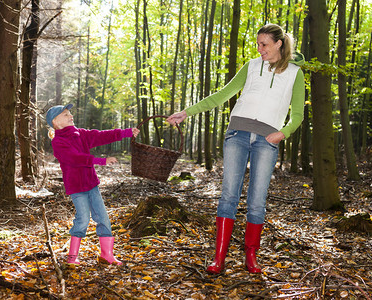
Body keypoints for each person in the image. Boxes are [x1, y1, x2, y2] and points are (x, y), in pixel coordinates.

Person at [167, 24, 305, 274]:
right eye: (258, 43)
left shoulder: (295, 73)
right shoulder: (252, 66)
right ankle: (219, 257)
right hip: (237, 135)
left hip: (267, 140)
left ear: (279, 44)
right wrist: (186, 112)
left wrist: (283, 133)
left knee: (257, 201)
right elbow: (222, 95)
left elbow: (297, 114)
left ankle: (250, 256)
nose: (259, 48)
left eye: (264, 44)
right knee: (229, 196)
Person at [46, 103, 140, 265]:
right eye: (66, 114)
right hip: (76, 187)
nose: (71, 116)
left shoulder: (80, 133)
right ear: (56, 122)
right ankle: (72, 258)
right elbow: (75, 159)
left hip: (91, 184)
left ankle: (106, 255)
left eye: (70, 113)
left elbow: (101, 136)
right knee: (83, 219)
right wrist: (101, 161)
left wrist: (126, 132)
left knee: (103, 218)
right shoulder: (58, 142)